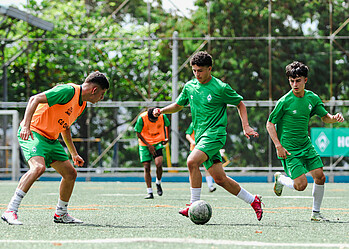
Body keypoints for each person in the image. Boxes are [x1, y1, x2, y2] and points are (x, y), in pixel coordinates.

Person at [153, 51, 263, 221]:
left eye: (201, 71)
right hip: (202, 137)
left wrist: (246, 126)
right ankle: (253, 200)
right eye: (194, 70)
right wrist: (161, 111)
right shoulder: (190, 86)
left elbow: (240, 104)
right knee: (220, 179)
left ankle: (192, 204)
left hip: (215, 135)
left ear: (209, 69)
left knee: (191, 161)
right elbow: (178, 105)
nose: (197, 74)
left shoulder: (220, 87)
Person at [1, 71, 110, 225]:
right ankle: (10, 210)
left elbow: (65, 127)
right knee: (38, 168)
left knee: (70, 174)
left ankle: (61, 214)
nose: (102, 98)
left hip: (51, 139)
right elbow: (35, 98)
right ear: (94, 90)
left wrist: (73, 153)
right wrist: (25, 125)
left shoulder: (82, 105)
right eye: (102, 94)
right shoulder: (68, 91)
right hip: (34, 132)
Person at [266, 61, 344, 222]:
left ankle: (316, 213)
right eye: (291, 81)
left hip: (306, 145)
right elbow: (269, 124)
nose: (294, 84)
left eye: (298, 80)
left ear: (305, 80)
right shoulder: (284, 101)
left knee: (320, 177)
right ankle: (280, 179)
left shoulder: (312, 98)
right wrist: (278, 146)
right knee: (301, 185)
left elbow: (325, 117)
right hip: (289, 149)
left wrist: (334, 118)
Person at [134, 108, 170, 199]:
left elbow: (167, 125)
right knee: (147, 167)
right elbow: (138, 133)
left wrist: (167, 137)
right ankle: (149, 191)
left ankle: (158, 182)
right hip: (144, 144)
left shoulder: (162, 115)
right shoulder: (142, 118)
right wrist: (148, 145)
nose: (155, 121)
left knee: (159, 164)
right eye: (152, 120)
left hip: (158, 142)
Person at [185, 122, 216, 192]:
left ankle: (210, 185)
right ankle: (193, 188)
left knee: (207, 168)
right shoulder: (193, 123)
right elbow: (187, 135)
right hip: (194, 149)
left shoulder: (208, 122)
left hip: (204, 148)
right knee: (193, 169)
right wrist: (192, 142)